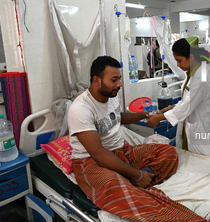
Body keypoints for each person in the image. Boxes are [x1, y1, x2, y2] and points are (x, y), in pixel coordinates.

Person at [67, 56, 198, 221]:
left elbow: (118, 117)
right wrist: (137, 174)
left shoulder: (111, 97)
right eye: (114, 80)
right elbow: (98, 154)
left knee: (168, 152)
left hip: (121, 153)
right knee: (114, 187)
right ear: (97, 80)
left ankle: (132, 182)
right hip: (92, 163)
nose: (120, 84)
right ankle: (137, 186)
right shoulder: (81, 109)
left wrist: (145, 114)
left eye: (119, 79)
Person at [147, 38, 210, 159]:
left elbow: (187, 106)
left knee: (208, 166)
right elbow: (188, 100)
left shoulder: (201, 77)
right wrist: (171, 108)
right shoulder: (192, 74)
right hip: (192, 129)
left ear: (191, 57)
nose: (177, 65)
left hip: (203, 131)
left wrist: (159, 118)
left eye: (179, 60)